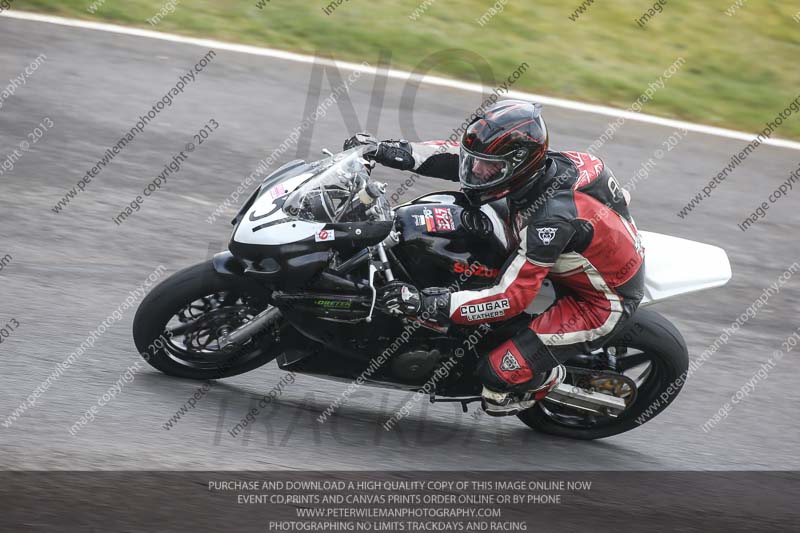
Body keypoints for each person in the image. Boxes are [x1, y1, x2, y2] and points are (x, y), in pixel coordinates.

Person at [343, 100, 645, 416]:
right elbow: (455, 157)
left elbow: (510, 298)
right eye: (477, 160)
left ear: (518, 165)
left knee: (495, 375)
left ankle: (547, 379)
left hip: (598, 302)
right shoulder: (542, 167)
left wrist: (429, 303)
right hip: (573, 246)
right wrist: (386, 150)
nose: (475, 170)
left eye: (488, 166)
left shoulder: (549, 222)